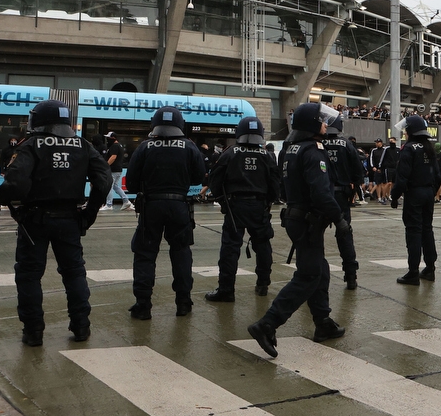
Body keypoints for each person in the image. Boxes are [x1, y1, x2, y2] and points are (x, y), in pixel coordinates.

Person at [0, 100, 110, 346]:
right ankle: (81, 326)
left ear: (38, 120)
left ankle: (33, 331)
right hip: (70, 218)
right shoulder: (83, 145)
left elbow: (15, 184)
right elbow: (103, 181)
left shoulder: (31, 145)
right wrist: (89, 213)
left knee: (29, 276)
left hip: (34, 220)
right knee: (74, 273)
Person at [247, 102, 352, 358]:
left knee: (320, 270)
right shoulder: (314, 152)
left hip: (297, 217)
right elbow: (321, 192)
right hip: (308, 220)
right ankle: (267, 324)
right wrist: (339, 219)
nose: (326, 124)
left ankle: (322, 321)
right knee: (308, 275)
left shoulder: (290, 150)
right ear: (312, 125)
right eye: (322, 120)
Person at [124, 106, 206, 320]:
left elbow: (131, 183)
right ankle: (183, 302)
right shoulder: (189, 147)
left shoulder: (145, 147)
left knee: (145, 255)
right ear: (180, 124)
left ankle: (143, 305)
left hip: (151, 207)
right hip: (179, 206)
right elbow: (199, 178)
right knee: (181, 253)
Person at [205, 116, 281, 302]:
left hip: (234, 206)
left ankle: (226, 290)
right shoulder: (267, 156)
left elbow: (215, 180)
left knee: (230, 248)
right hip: (259, 206)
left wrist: (223, 202)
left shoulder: (230, 153)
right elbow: (275, 184)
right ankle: (263, 284)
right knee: (263, 245)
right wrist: (267, 202)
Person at [390, 116, 441, 285]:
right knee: (427, 230)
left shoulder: (409, 149)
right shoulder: (429, 148)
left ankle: (413, 272)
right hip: (428, 193)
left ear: (411, 131)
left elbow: (402, 176)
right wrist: (431, 191)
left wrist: (395, 196)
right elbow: (438, 175)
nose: (404, 133)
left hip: (414, 194)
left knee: (413, 232)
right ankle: (430, 268)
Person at [322, 111, 363, 289]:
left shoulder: (317, 143)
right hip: (341, 196)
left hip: (320, 195)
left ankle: (315, 275)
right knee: (345, 235)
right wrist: (353, 187)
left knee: (314, 237)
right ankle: (351, 275)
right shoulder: (346, 144)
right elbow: (358, 171)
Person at [102, 131, 133, 211]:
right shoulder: (119, 145)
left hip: (113, 169)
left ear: (113, 138)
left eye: (108, 138)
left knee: (109, 186)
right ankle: (126, 200)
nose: (107, 139)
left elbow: (113, 157)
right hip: (118, 169)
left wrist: (105, 166)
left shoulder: (114, 146)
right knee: (115, 186)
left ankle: (109, 205)